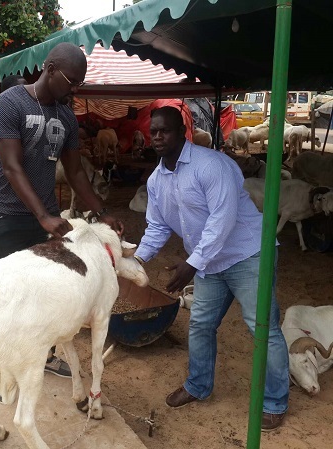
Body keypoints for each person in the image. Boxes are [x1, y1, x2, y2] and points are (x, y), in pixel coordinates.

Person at [133, 106, 289, 431]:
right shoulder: (156, 181)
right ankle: (197, 385)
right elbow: (157, 226)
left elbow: (222, 219)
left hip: (248, 254)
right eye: (154, 132)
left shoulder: (212, 165)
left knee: (263, 328)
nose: (158, 137)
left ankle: (274, 402)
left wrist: (192, 264)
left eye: (165, 131)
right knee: (201, 325)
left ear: (182, 133)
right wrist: (136, 260)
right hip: (209, 262)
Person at [0, 42, 124, 397]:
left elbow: (76, 173)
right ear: (49, 69)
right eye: (71, 80)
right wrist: (43, 215)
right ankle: (4, 376)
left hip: (45, 221)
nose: (74, 89)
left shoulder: (66, 118)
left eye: (80, 83)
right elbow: (13, 167)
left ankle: (43, 357)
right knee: (9, 300)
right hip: (8, 216)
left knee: (42, 297)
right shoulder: (10, 103)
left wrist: (101, 211)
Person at [0, 75, 27, 172]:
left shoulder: (19, 113)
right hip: (3, 176)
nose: (26, 92)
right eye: (21, 89)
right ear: (8, 92)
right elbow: (1, 155)